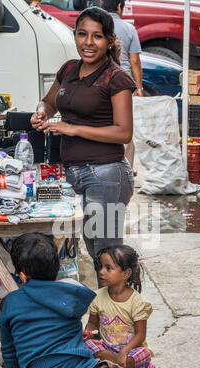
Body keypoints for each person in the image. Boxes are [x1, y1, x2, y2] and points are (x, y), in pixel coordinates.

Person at [0, 232, 200, 368]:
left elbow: (10, 355)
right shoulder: (70, 297)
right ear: (57, 269)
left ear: (22, 274)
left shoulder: (11, 303)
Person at [30, 7, 135, 264]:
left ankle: (116, 305)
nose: (88, 43)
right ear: (75, 35)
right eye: (82, 34)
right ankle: (107, 304)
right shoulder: (69, 70)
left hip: (106, 175)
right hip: (75, 173)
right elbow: (49, 102)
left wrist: (71, 128)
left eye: (97, 36)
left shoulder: (116, 78)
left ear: (109, 41)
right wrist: (41, 113)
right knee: (93, 247)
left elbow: (124, 132)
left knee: (107, 255)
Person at [83, 244, 156, 368]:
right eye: (101, 266)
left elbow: (140, 335)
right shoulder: (97, 297)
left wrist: (124, 351)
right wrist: (87, 331)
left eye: (108, 268)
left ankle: (112, 367)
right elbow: (93, 323)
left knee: (144, 353)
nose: (101, 271)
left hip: (130, 350)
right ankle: (120, 367)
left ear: (126, 274)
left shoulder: (136, 301)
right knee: (88, 345)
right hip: (107, 349)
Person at [101, 0, 143, 172]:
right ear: (119, 6)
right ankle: (127, 168)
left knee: (103, 122)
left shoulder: (97, 26)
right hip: (124, 84)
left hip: (101, 81)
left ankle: (105, 164)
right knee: (125, 126)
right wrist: (138, 87)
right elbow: (134, 60)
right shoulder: (128, 28)